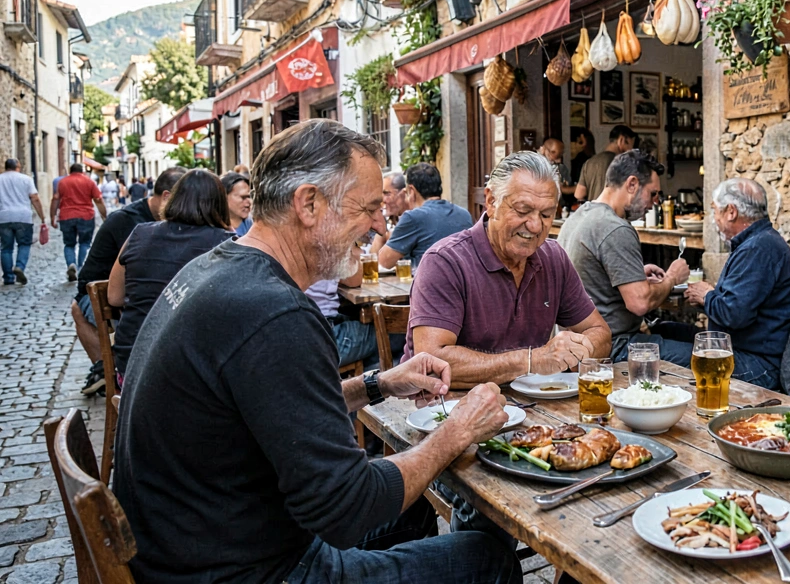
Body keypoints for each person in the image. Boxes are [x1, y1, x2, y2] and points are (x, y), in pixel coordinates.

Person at [113, 119, 522, 584]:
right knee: (488, 558)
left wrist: (376, 383)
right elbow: (347, 509)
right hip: (247, 569)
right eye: (367, 209)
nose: (376, 226)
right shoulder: (276, 314)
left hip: (192, 541)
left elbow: (270, 406)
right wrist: (457, 431)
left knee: (411, 516)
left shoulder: (216, 269)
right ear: (308, 204)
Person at [403, 150, 611, 381]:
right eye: (523, 210)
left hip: (534, 406)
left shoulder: (553, 257)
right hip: (446, 409)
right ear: (491, 201)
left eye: (546, 214)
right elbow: (430, 362)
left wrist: (577, 350)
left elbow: (601, 333)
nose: (534, 225)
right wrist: (532, 361)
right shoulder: (444, 261)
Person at [670, 177, 790, 390]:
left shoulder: (758, 248)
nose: (713, 219)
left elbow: (734, 314)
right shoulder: (759, 242)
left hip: (759, 364)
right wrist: (707, 297)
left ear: (731, 212)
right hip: (742, 350)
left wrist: (707, 296)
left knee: (660, 355)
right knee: (667, 331)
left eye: (715, 210)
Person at [558, 150, 689, 361]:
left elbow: (590, 277)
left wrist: (634, 275)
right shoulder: (615, 228)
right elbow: (640, 303)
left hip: (578, 345)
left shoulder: (578, 217)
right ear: (632, 184)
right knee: (706, 355)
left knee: (681, 334)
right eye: (653, 193)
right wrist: (673, 277)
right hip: (614, 347)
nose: (655, 202)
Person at [107, 169, 235, 381]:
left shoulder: (140, 233)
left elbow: (114, 297)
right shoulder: (226, 244)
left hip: (132, 364)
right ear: (220, 206)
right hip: (194, 370)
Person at [72, 167, 185, 396]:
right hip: (105, 294)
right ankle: (110, 372)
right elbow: (137, 278)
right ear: (166, 197)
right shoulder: (128, 222)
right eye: (182, 201)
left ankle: (109, 372)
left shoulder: (169, 221)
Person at [378, 162, 471, 270]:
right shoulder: (464, 214)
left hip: (427, 283)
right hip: (463, 283)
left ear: (411, 191)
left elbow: (385, 261)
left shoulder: (413, 217)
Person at [50, 162, 107, 281]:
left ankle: (71, 264)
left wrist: (52, 216)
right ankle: (81, 268)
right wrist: (104, 216)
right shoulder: (89, 181)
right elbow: (98, 199)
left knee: (69, 244)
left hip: (66, 216)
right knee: (85, 243)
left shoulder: (63, 182)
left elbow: (56, 198)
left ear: (70, 171)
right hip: (86, 216)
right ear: (82, 171)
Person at [0, 158, 45, 286]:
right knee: (24, 244)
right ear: (18, 167)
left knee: (6, 248)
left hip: (4, 217)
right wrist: (42, 216)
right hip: (23, 217)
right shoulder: (26, 179)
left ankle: (8, 278)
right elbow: (34, 198)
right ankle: (19, 266)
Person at [573, 125, 634, 202]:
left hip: (593, 211)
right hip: (612, 212)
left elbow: (579, 194)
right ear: (621, 140)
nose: (630, 150)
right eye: (629, 146)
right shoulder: (622, 163)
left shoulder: (589, 162)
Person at [370, 171, 407, 258]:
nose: (383, 200)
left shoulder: (412, 219)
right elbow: (373, 257)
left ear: (403, 194)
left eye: (387, 193)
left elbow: (384, 261)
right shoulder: (390, 218)